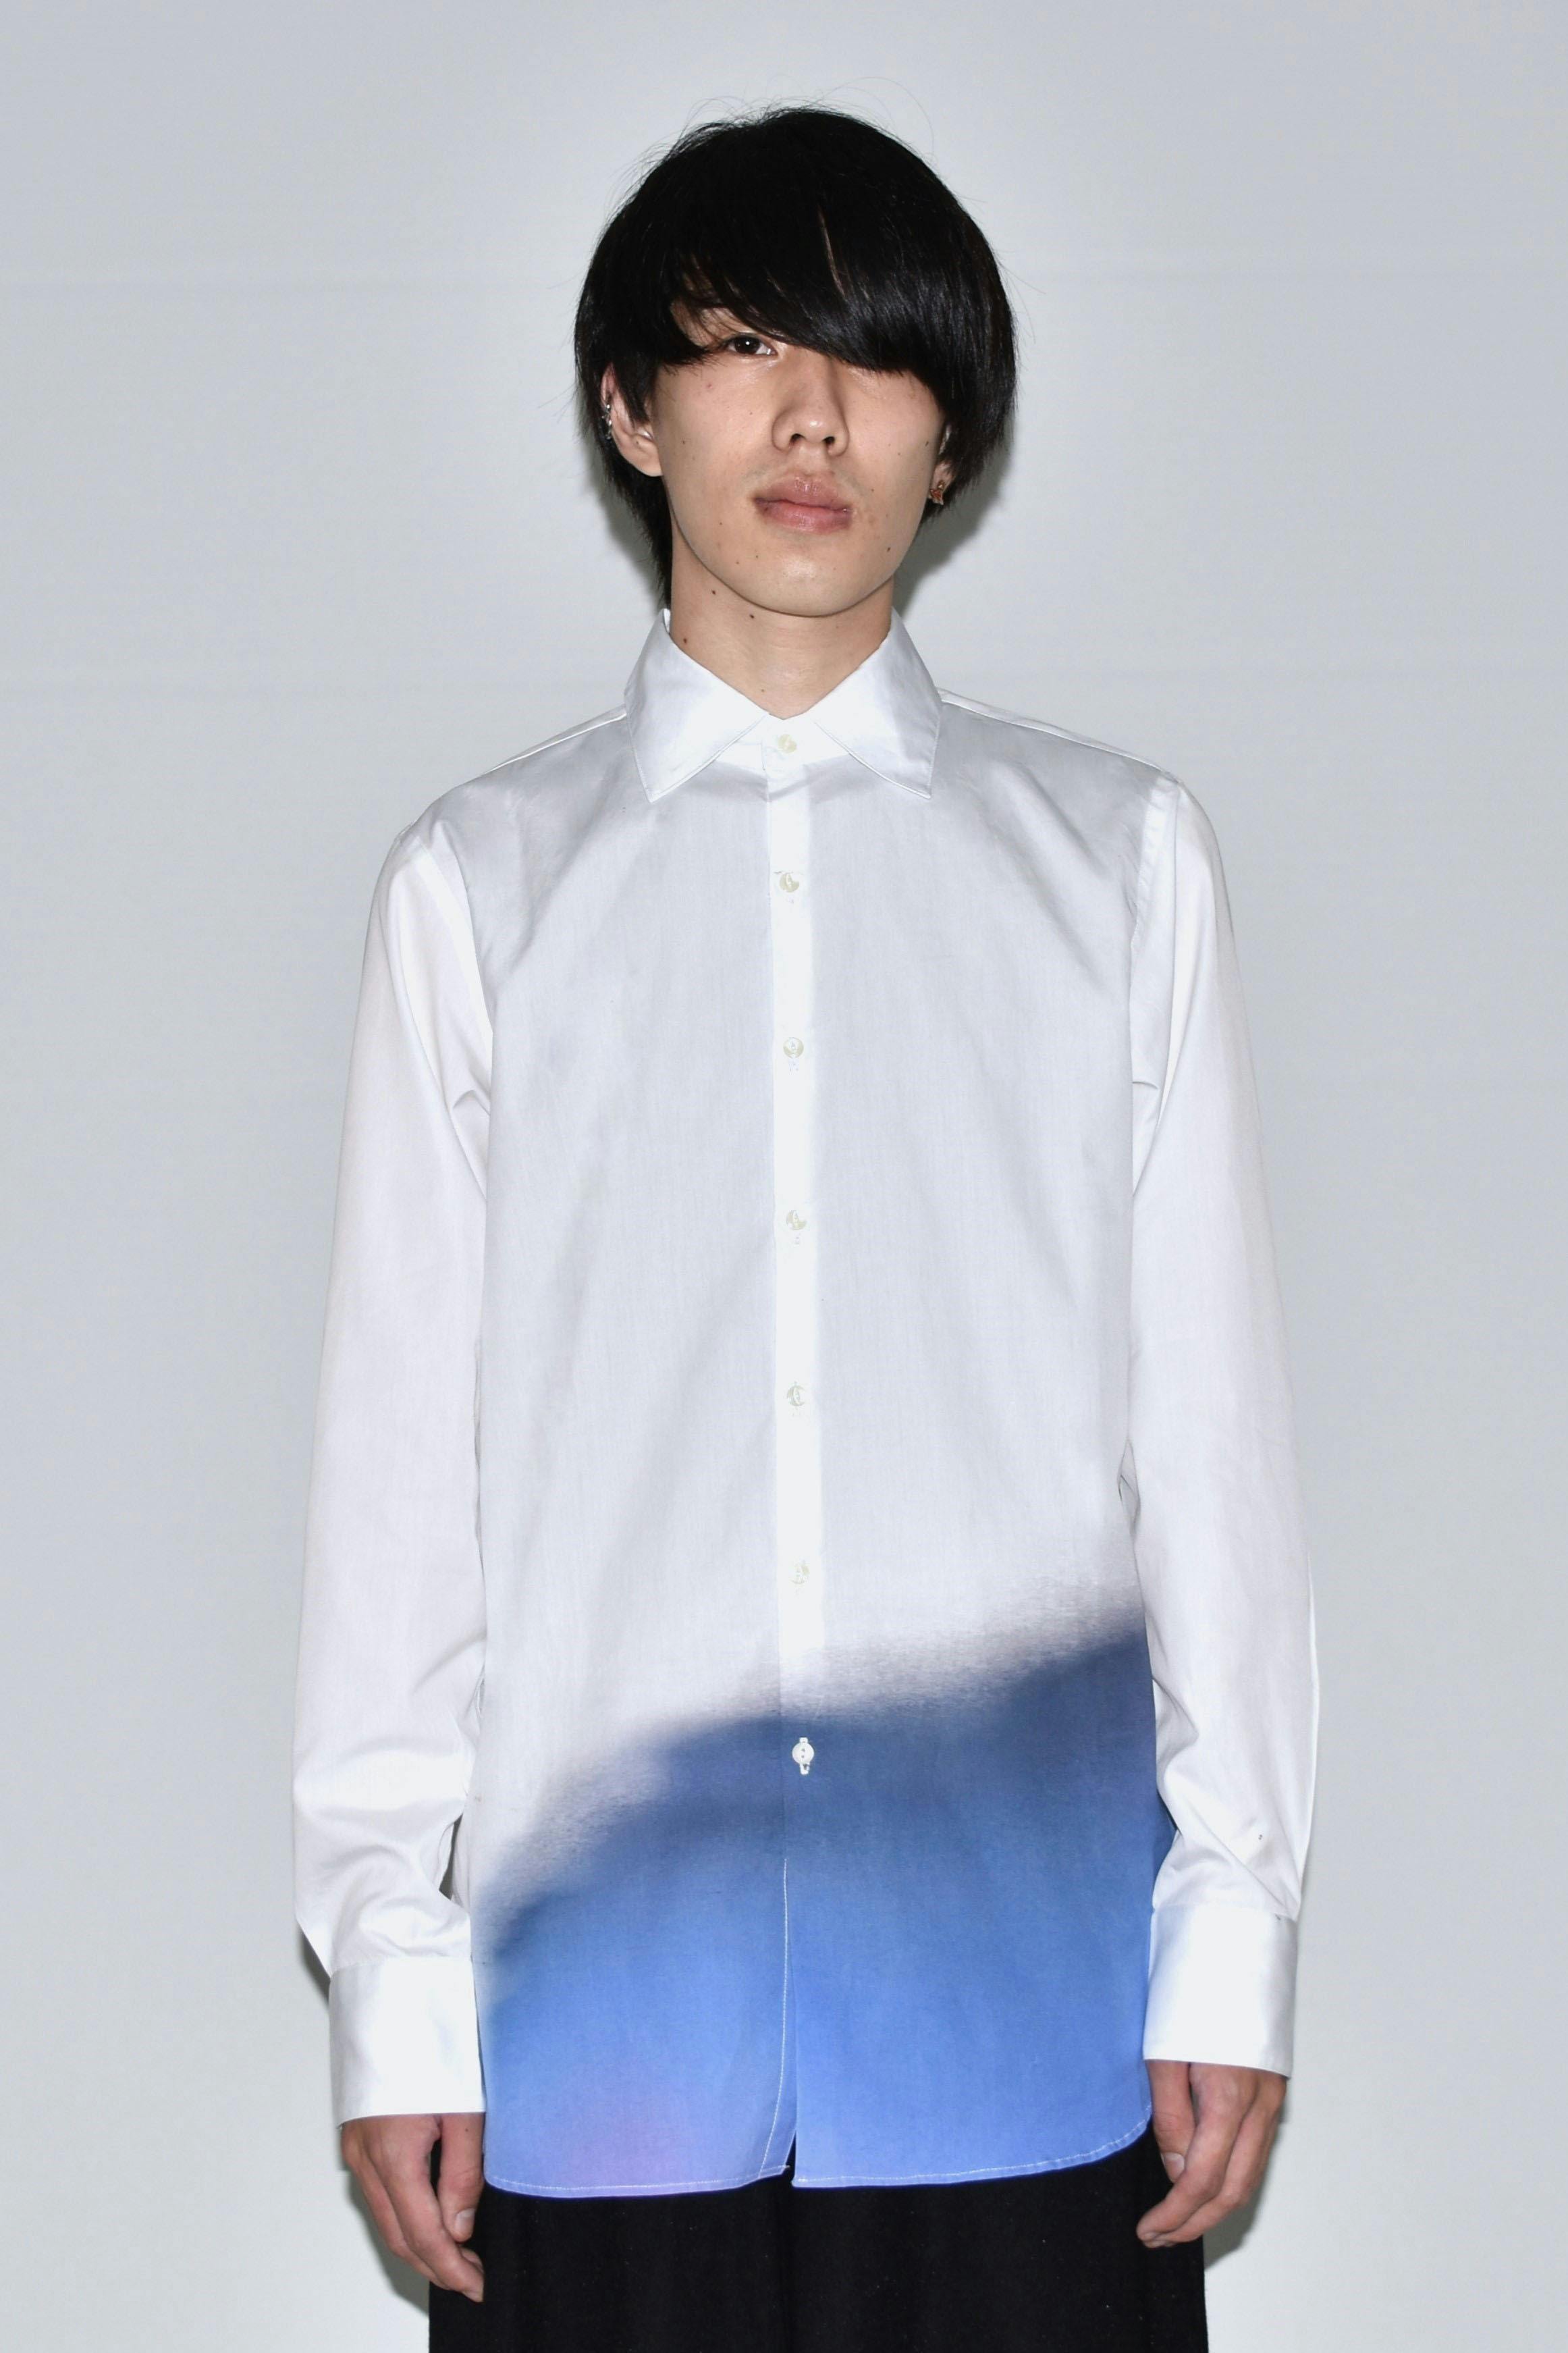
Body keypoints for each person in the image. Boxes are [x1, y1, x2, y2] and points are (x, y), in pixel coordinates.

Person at [292, 103, 1318, 2353]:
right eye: (743, 343)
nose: (810, 416)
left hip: (1028, 2012)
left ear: (950, 433)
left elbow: (1209, 1441)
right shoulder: (478, 888)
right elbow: (400, 1479)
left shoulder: (1116, 861)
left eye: (871, 355)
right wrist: (392, 1963)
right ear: (627, 408)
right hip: (597, 2037)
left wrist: (1231, 1924)